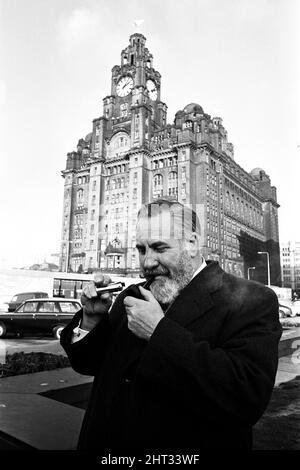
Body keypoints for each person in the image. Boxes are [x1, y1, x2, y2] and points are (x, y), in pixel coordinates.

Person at [60, 199, 282, 451]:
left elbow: (246, 398)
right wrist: (91, 319)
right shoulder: (131, 296)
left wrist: (158, 332)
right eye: (142, 249)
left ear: (192, 243)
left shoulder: (251, 300)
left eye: (159, 247)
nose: (147, 262)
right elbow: (88, 364)